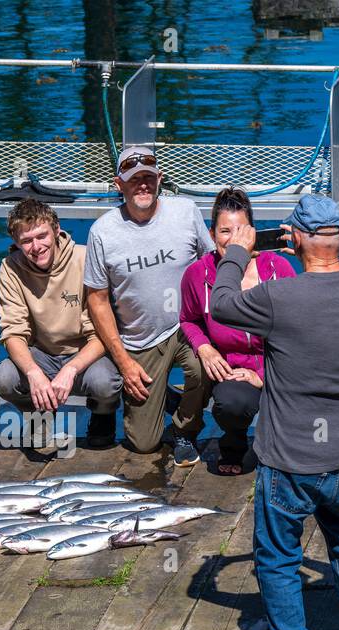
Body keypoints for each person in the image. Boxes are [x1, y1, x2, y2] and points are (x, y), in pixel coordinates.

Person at [209, 194, 339, 630]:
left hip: (291, 456)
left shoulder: (279, 298)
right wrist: (313, 249)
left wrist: (238, 252)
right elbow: (338, 282)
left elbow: (219, 304)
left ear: (296, 239)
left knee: (277, 557)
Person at [83, 145, 213, 465]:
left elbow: (211, 264)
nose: (142, 185)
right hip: (141, 337)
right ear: (119, 185)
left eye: (148, 178)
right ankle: (163, 399)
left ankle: (185, 428)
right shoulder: (102, 232)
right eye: (133, 179)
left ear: (160, 180)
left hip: (187, 326)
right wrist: (124, 362)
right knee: (143, 444)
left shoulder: (185, 211)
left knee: (204, 366)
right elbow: (97, 299)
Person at [180, 187, 296, 475]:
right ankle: (234, 439)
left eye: (240, 231)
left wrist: (262, 377)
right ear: (211, 234)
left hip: (279, 367)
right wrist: (204, 348)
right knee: (232, 403)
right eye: (224, 232)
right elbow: (188, 319)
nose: (233, 241)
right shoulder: (197, 274)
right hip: (234, 371)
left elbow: (298, 332)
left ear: (253, 233)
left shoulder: (278, 268)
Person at [0, 199, 122, 449]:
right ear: (17, 243)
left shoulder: (84, 258)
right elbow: (13, 331)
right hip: (41, 352)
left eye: (42, 236)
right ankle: (39, 411)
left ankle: (102, 415)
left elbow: (100, 335)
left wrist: (71, 369)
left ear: (56, 229)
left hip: (84, 352)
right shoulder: (10, 267)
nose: (36, 247)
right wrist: (33, 373)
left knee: (106, 383)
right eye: (26, 241)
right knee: (4, 378)